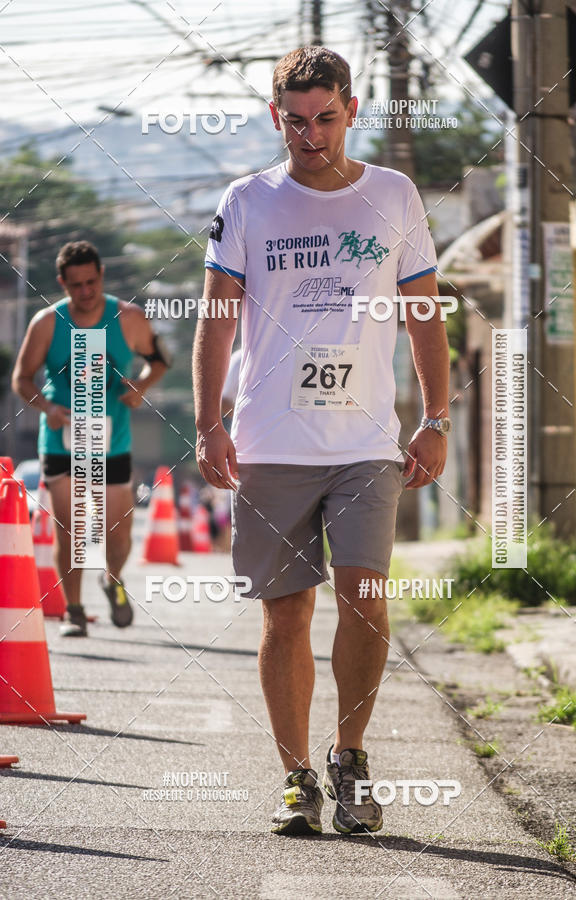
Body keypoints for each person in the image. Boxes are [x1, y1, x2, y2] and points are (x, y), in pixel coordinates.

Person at [193, 47, 450, 836]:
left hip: (366, 441)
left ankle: (350, 755)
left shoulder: (393, 194)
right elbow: (216, 320)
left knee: (365, 601)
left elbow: (424, 313)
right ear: (277, 117)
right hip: (270, 442)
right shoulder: (247, 201)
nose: (312, 137)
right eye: (296, 122)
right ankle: (296, 776)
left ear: (352, 110)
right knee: (286, 617)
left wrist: (436, 418)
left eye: (326, 119)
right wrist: (207, 423)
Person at [12, 240, 170, 637]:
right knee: (71, 530)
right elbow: (21, 379)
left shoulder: (128, 318)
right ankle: (74, 611)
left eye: (91, 282)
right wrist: (47, 408)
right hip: (62, 439)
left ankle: (112, 578)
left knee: (118, 535)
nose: (85, 292)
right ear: (62, 283)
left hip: (112, 442)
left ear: (101, 275)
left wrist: (142, 386)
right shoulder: (47, 323)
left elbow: (159, 360)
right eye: (75, 285)